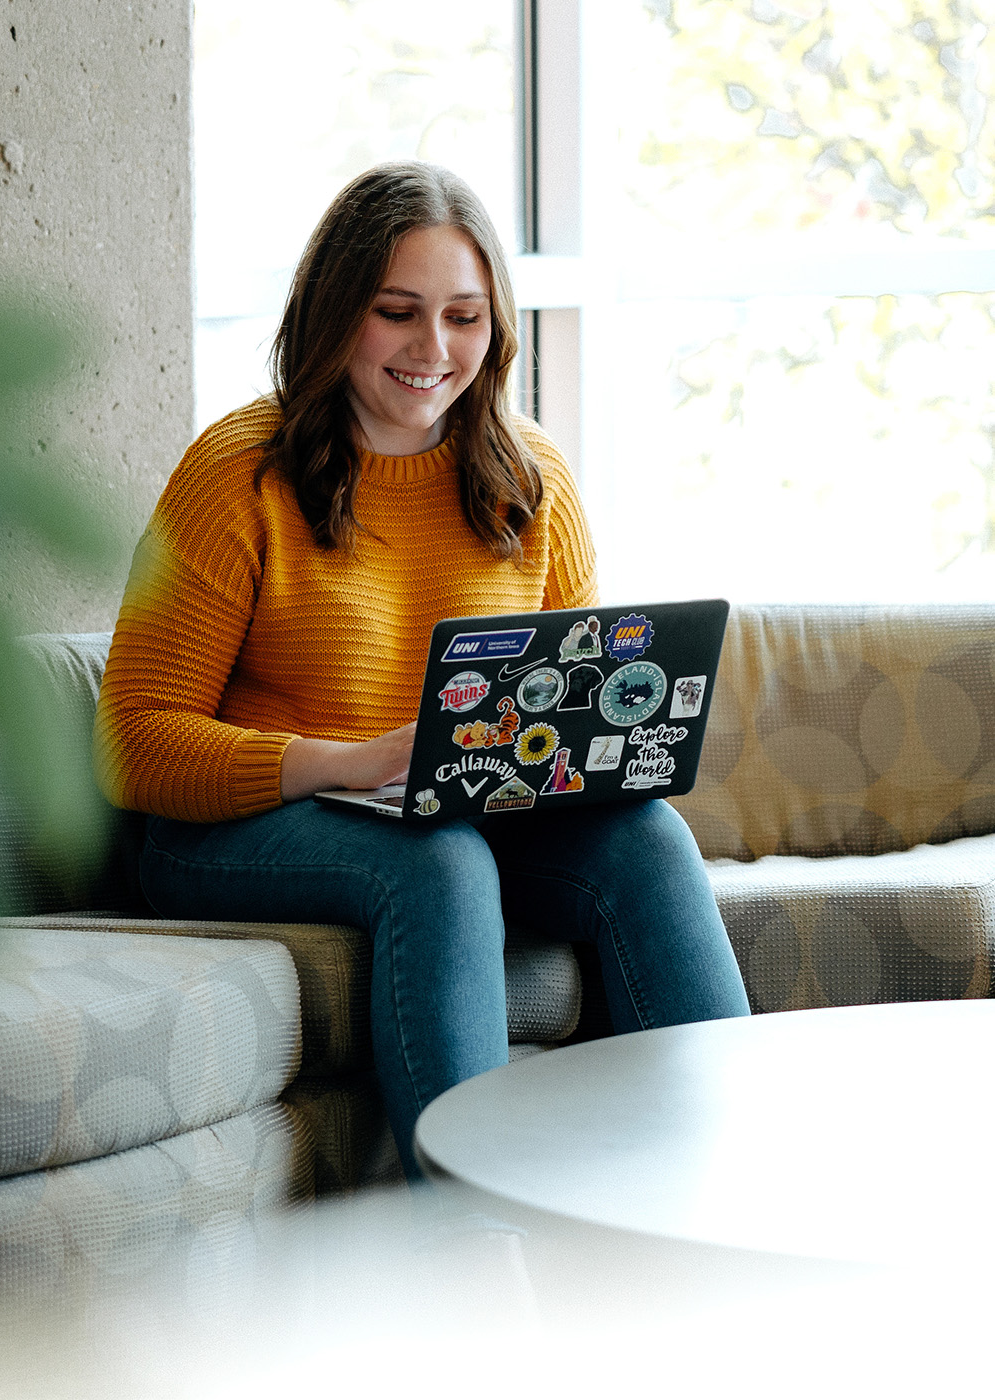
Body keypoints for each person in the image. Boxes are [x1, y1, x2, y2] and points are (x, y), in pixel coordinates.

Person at [95, 162, 749, 1174]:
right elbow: (131, 742)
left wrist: (599, 760)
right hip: (226, 829)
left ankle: (712, 1189)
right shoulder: (237, 473)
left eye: (463, 316)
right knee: (437, 858)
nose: (432, 350)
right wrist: (350, 761)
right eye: (396, 311)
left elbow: (562, 717)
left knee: (646, 839)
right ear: (333, 313)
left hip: (444, 810)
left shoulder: (531, 478)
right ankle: (470, 1239)